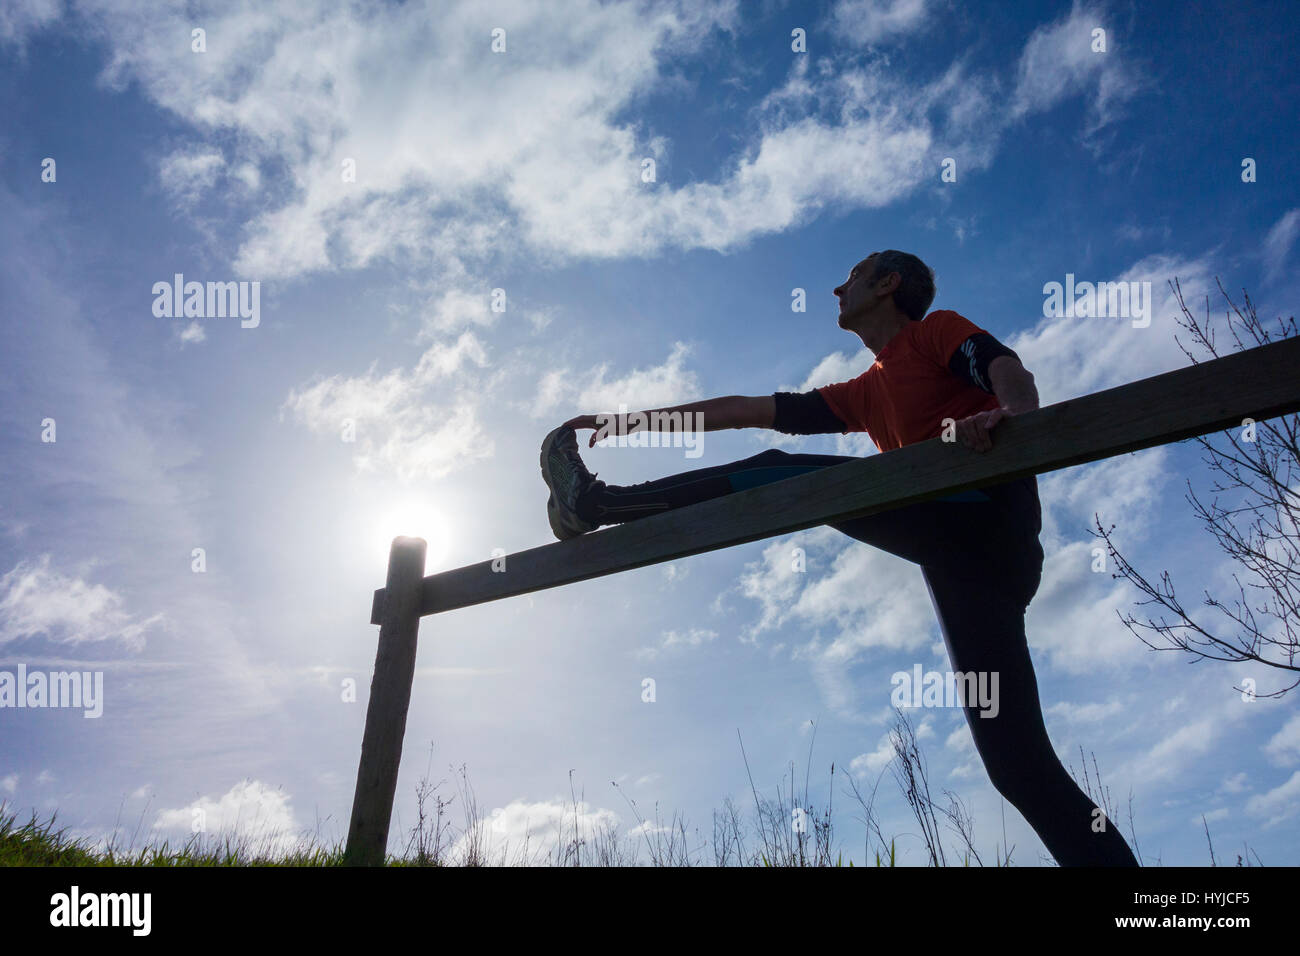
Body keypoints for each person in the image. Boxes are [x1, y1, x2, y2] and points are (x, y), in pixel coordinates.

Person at [539, 249, 1139, 867]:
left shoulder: (933, 332)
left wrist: (1010, 418)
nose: (836, 288)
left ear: (888, 284)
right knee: (1017, 766)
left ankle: (598, 504)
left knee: (776, 474)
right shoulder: (865, 391)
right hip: (959, 565)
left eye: (851, 276)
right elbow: (748, 410)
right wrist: (634, 420)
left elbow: (1006, 369)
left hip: (985, 518)